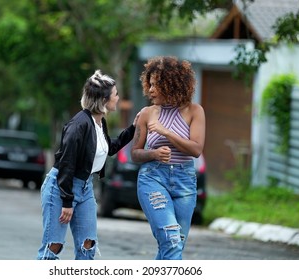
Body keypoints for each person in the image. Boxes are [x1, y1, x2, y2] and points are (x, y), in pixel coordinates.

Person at [37, 70, 139, 260]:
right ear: (104, 99)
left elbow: (108, 148)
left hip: (85, 187)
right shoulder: (79, 125)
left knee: (88, 245)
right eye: (116, 94)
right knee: (53, 247)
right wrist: (67, 201)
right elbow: (67, 163)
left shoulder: (99, 122)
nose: (118, 98)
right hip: (61, 187)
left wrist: (134, 128)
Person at [131, 56, 206, 260]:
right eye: (151, 84)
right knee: (172, 238)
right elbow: (135, 153)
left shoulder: (195, 111)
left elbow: (196, 149)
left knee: (174, 244)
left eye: (157, 85)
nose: (151, 90)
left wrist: (167, 133)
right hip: (153, 178)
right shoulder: (147, 113)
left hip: (185, 182)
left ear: (171, 84)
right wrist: (154, 153)